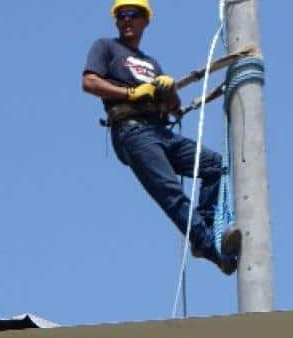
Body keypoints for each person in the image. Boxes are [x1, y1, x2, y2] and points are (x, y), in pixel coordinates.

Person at [82, 0, 241, 275]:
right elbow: (89, 82)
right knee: (171, 193)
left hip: (160, 130)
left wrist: (168, 91)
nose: (127, 19)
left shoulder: (150, 63)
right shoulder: (105, 47)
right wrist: (131, 93)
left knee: (215, 166)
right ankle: (214, 250)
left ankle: (203, 232)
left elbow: (173, 107)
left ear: (145, 20)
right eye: (121, 15)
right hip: (132, 131)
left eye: (133, 14)